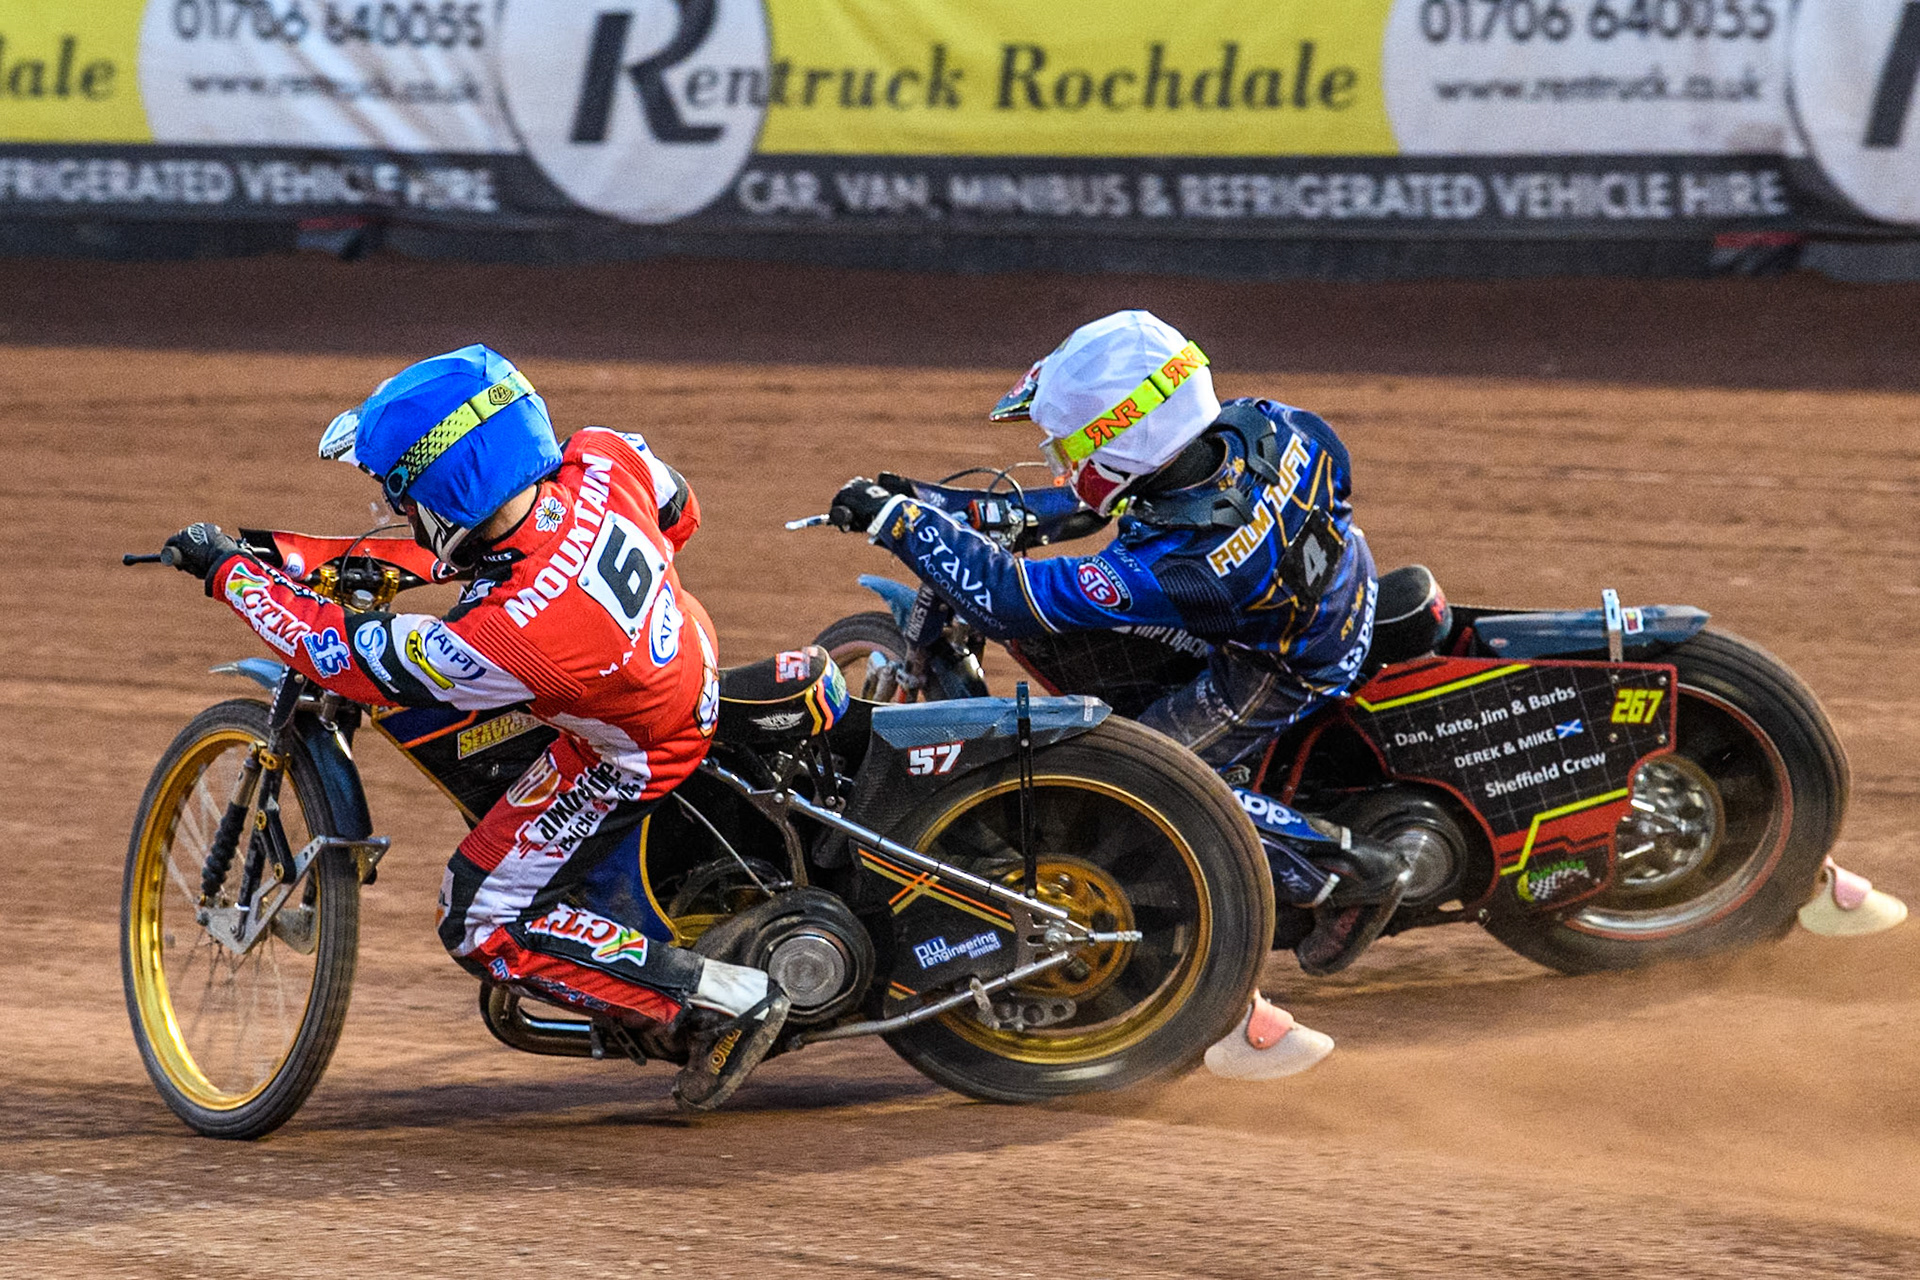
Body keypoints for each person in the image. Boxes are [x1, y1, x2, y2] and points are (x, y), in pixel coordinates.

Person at [161, 343, 786, 1112]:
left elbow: (345, 656)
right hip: (683, 650)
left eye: (404, 499)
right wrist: (290, 553)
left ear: (445, 489)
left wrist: (233, 575)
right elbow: (678, 511)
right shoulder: (601, 456)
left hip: (636, 747)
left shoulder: (511, 635)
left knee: (476, 918)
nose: (401, 517)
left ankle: (718, 999)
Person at [827, 309, 1408, 1081]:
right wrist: (940, 506)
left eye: (1073, 444)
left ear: (1126, 432)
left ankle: (1350, 871)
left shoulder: (1196, 561)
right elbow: (1104, 500)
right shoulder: (1267, 425)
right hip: (1321, 587)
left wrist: (904, 525)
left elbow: (1013, 600)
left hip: (1276, 664)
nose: (1063, 458)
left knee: (1147, 779)